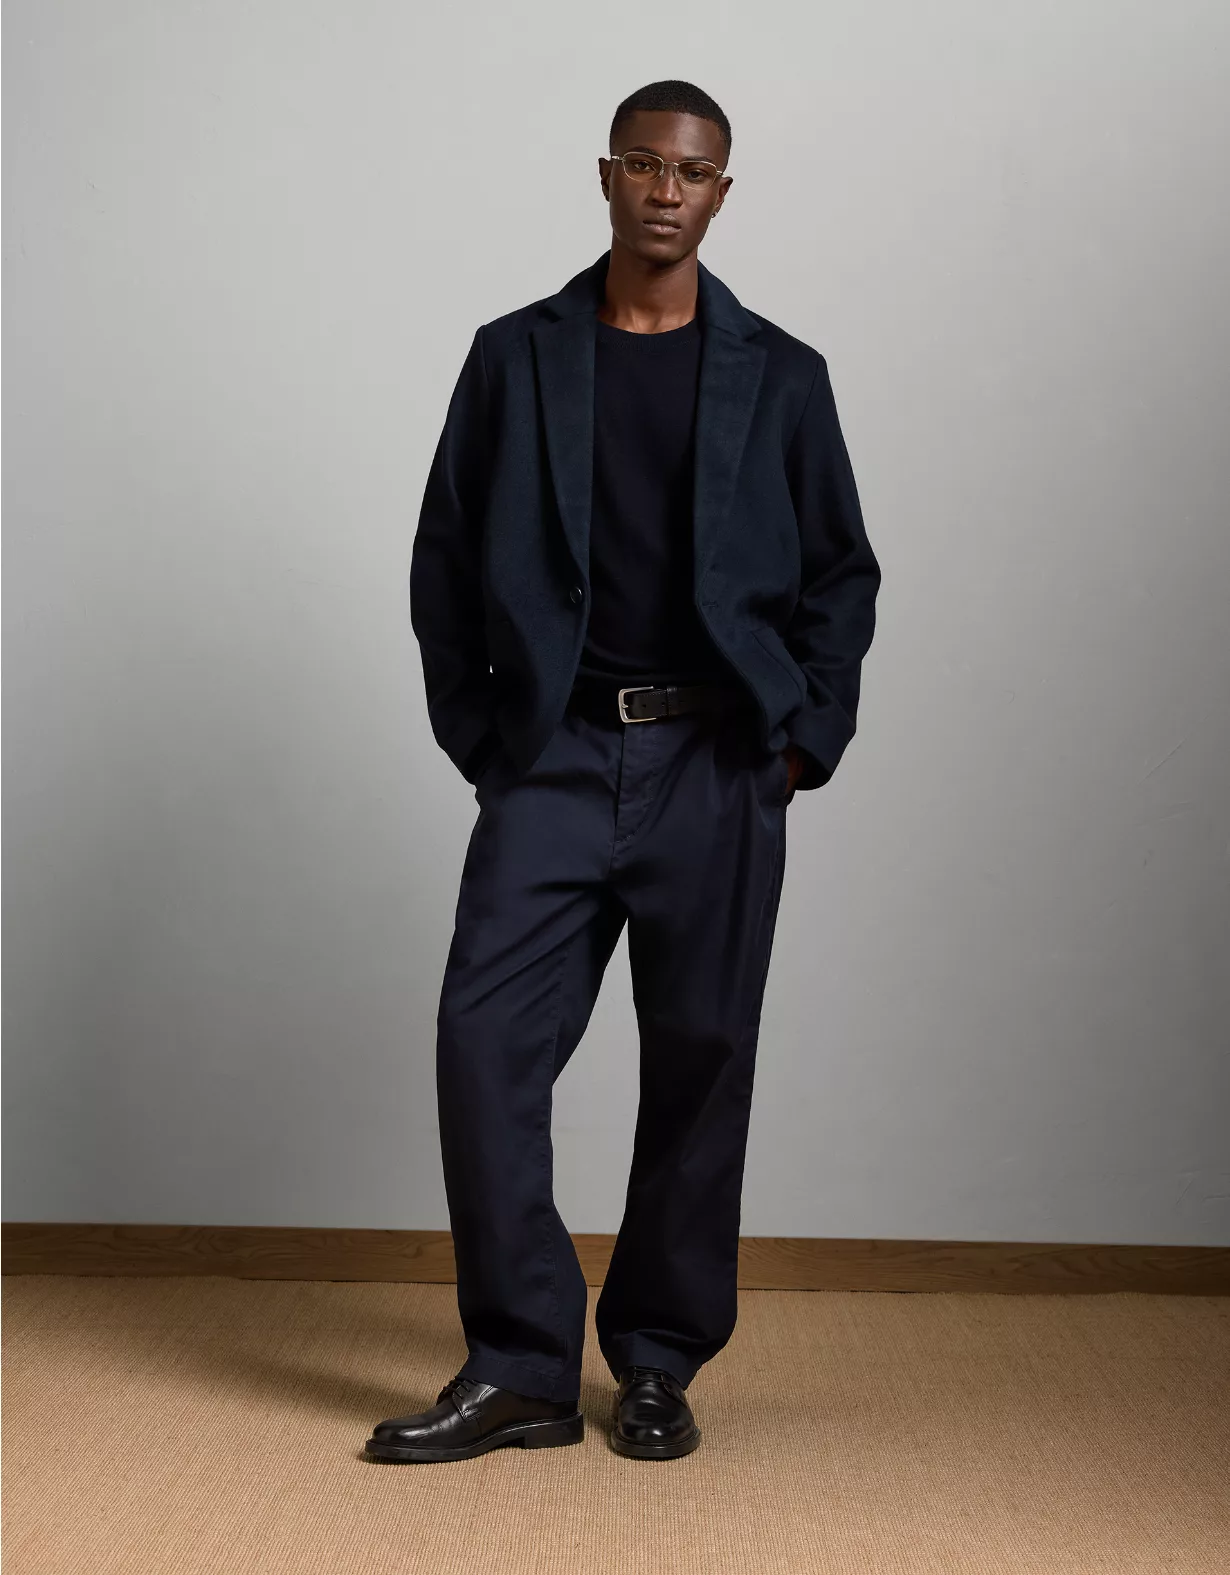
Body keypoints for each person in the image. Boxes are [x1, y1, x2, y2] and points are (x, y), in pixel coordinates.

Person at [365, 79, 880, 1465]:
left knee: (700, 1064)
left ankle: (656, 1358)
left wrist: (800, 740)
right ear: (606, 176)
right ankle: (520, 1364)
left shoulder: (783, 374)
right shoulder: (514, 356)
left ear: (722, 194)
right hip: (555, 755)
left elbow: (840, 574)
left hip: (718, 761)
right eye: (644, 164)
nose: (665, 190)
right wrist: (487, 742)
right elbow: (442, 556)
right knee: (484, 1046)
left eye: (692, 172)